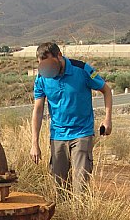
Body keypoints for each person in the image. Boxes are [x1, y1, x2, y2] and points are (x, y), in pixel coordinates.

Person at [30, 42, 113, 194]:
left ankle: (81, 216)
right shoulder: (42, 77)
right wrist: (34, 143)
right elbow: (38, 109)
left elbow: (106, 90)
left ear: (59, 56)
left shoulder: (82, 69)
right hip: (57, 136)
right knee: (59, 187)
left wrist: (107, 119)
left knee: (81, 186)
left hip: (82, 133)